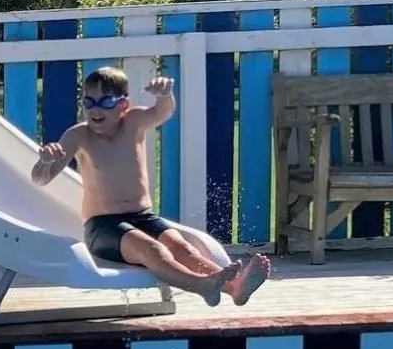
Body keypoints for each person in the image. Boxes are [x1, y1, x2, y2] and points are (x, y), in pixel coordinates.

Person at [31, 65, 269, 306]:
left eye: (106, 102)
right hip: (103, 227)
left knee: (183, 249)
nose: (95, 109)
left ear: (123, 105)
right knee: (154, 250)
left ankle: (235, 288)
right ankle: (201, 284)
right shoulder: (78, 136)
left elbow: (163, 112)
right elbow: (40, 179)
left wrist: (164, 95)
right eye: (89, 102)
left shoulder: (133, 123)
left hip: (143, 217)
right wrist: (45, 162)